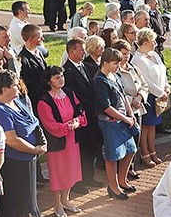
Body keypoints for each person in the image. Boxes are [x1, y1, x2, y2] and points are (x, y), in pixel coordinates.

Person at [0, 70, 46, 217]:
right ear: (5, 89)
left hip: (28, 159)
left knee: (25, 196)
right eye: (15, 85)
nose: (18, 88)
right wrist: (35, 150)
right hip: (13, 162)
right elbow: (12, 140)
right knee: (13, 198)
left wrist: (41, 142)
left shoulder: (16, 101)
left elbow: (33, 121)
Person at [36, 66, 86, 217]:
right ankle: (57, 203)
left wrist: (77, 121)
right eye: (57, 77)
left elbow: (81, 112)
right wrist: (68, 126)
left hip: (72, 140)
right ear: (48, 81)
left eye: (62, 76)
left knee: (71, 170)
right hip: (57, 143)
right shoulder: (44, 101)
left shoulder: (70, 93)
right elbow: (50, 125)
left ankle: (66, 200)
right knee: (58, 173)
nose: (61, 79)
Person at [93, 48, 138, 200]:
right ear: (105, 63)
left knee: (131, 149)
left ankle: (122, 180)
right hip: (109, 123)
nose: (118, 65)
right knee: (113, 155)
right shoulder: (100, 81)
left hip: (123, 119)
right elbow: (106, 107)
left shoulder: (115, 75)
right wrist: (125, 118)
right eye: (115, 63)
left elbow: (123, 95)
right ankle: (113, 186)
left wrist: (130, 113)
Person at [62, 39, 105, 193]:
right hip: (80, 115)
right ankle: (77, 182)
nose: (84, 52)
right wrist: (90, 107)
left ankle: (89, 177)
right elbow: (74, 93)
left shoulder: (87, 66)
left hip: (92, 114)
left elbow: (94, 87)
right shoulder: (67, 71)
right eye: (80, 50)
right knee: (79, 149)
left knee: (91, 146)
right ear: (71, 51)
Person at [131, 29, 170, 162]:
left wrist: (166, 86)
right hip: (149, 96)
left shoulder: (154, 54)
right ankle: (144, 152)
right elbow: (146, 80)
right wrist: (161, 92)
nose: (155, 43)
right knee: (146, 125)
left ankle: (152, 150)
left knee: (153, 125)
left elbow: (162, 70)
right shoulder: (137, 59)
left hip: (160, 94)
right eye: (153, 41)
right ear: (145, 42)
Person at [112, 40, 149, 178]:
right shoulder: (115, 72)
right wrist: (130, 100)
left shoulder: (134, 68)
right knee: (124, 140)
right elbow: (117, 91)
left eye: (128, 53)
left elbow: (144, 85)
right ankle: (121, 170)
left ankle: (130, 166)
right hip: (124, 110)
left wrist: (140, 97)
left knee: (136, 137)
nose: (127, 56)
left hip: (138, 108)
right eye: (123, 53)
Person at [18, 24, 47, 110]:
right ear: (30, 40)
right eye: (39, 37)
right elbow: (27, 83)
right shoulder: (23, 59)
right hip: (36, 98)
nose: (43, 39)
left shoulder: (39, 52)